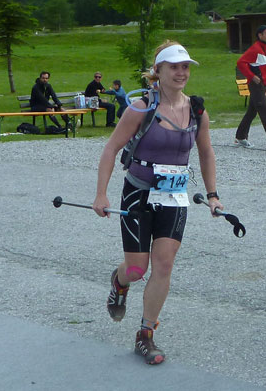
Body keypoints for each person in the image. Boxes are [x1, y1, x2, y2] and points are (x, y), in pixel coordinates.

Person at [92, 40, 223, 365]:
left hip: (173, 196)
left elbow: (206, 153)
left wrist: (212, 195)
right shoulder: (140, 108)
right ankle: (119, 281)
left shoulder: (197, 110)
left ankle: (146, 334)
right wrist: (101, 193)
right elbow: (111, 149)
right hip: (138, 193)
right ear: (158, 71)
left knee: (164, 265)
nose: (181, 72)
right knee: (137, 269)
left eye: (185, 67)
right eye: (174, 67)